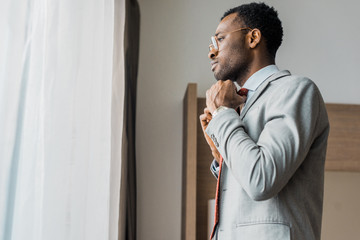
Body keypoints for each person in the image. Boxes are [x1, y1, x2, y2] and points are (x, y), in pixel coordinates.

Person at [199, 2, 329, 240]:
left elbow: (261, 179)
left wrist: (222, 115)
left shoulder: (296, 91)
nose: (211, 51)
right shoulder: (239, 105)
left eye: (220, 39)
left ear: (253, 37)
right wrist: (220, 157)